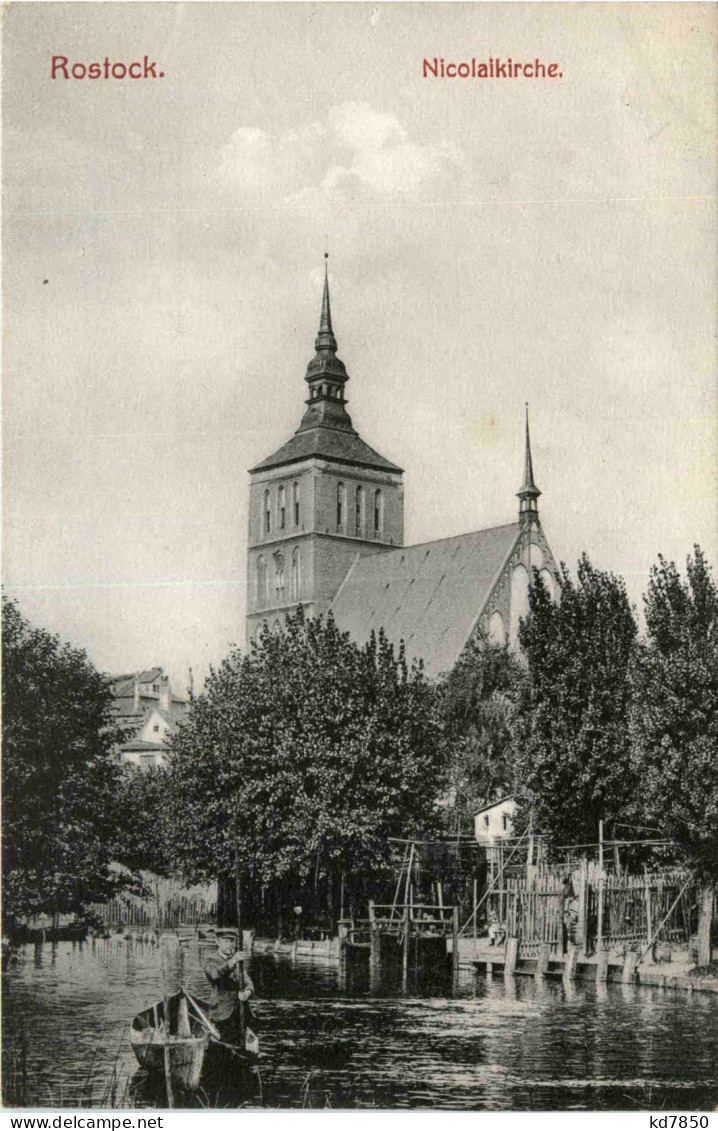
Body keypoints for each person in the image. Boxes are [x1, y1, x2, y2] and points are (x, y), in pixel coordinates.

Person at [203, 929, 255, 1049]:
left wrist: (248, 992)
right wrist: (233, 961)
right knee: (225, 1044)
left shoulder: (238, 962)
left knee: (242, 1044)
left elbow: (248, 981)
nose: (230, 945)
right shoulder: (210, 960)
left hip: (241, 1011)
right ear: (218, 942)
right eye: (226, 941)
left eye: (232, 942)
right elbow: (215, 975)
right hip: (222, 1012)